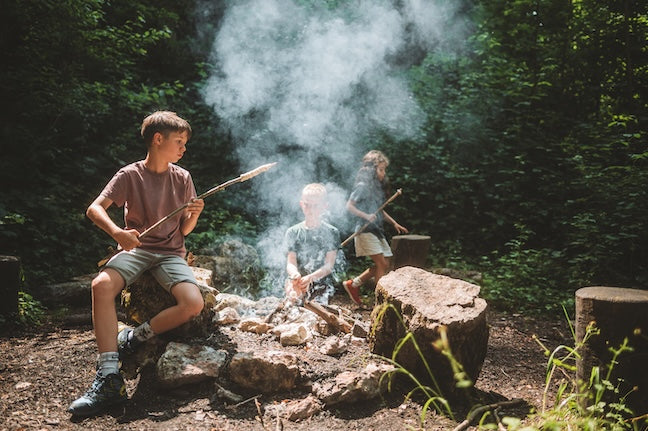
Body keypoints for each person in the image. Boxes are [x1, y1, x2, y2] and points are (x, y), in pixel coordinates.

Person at [68, 111, 205, 417]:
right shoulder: (129, 175)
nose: (183, 149)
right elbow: (94, 209)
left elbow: (183, 230)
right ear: (158, 139)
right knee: (101, 285)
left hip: (171, 253)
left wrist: (193, 214)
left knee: (193, 303)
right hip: (137, 248)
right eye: (179, 142)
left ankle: (133, 337)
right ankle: (107, 378)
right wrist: (118, 232)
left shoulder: (182, 177)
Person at [343, 150, 408, 305]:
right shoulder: (362, 186)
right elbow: (349, 206)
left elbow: (380, 210)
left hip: (376, 231)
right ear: (371, 170)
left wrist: (394, 223)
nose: (383, 173)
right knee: (381, 264)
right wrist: (366, 216)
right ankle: (380, 303)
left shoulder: (376, 188)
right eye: (381, 169)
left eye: (384, 169)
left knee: (385, 263)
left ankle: (353, 284)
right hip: (364, 230)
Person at [284, 183, 341, 305]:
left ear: (324, 206)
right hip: (298, 282)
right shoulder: (293, 232)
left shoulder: (332, 232)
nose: (311, 210)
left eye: (316, 206)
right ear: (301, 205)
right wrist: (294, 274)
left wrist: (311, 277)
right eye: (307, 205)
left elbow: (329, 265)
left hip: (321, 283)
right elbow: (291, 262)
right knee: (294, 302)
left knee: (316, 311)